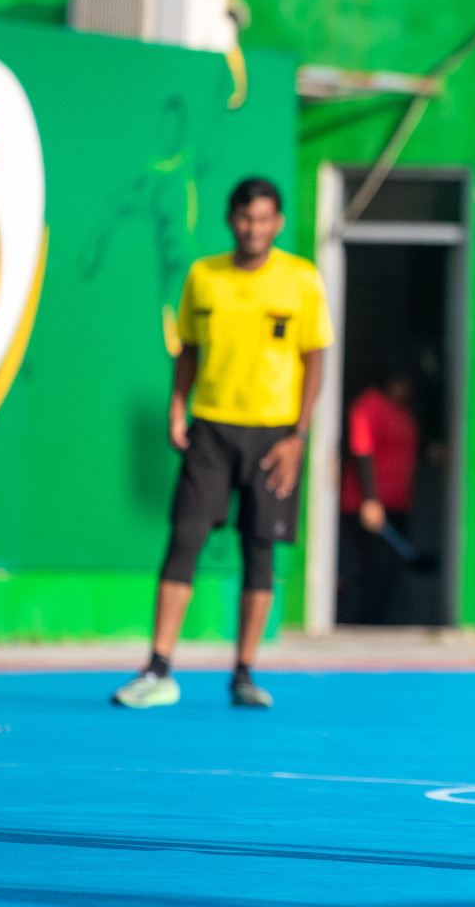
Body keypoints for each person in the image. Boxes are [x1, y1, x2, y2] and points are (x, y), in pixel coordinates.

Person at [111, 178, 333, 709]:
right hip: (210, 430)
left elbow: (314, 359)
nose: (253, 228)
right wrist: (175, 407)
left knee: (259, 555)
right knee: (183, 540)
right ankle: (159, 668)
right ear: (231, 219)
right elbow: (187, 349)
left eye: (263, 219)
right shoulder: (202, 276)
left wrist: (298, 438)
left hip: (275, 437)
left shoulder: (301, 279)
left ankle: (244, 674)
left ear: (276, 223)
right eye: (244, 218)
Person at [337, 361, 420, 624]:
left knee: (390, 571)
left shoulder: (403, 411)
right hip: (366, 505)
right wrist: (370, 500)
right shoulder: (369, 406)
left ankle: (379, 623)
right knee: (369, 567)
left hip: (398, 502)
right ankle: (356, 623)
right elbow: (362, 450)